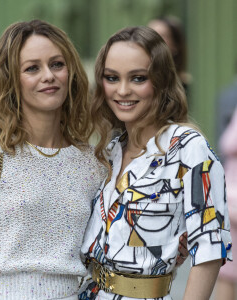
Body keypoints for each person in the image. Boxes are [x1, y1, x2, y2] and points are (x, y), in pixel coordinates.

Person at [0, 19, 106, 300]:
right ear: (12, 80)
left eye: (57, 64)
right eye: (32, 68)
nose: (49, 76)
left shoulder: (93, 163)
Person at [79, 26, 232, 300]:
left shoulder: (189, 148)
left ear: (160, 81)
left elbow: (209, 249)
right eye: (112, 78)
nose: (123, 90)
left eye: (138, 78)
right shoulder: (110, 151)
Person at [215, 108, 237, 299]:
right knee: (226, 271)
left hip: (232, 201)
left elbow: (228, 143)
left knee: (226, 273)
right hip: (229, 202)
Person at [148, 16, 191, 93]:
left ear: (175, 45)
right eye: (149, 34)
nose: (152, 39)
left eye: (161, 35)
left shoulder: (181, 85)